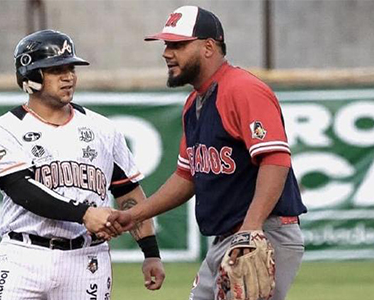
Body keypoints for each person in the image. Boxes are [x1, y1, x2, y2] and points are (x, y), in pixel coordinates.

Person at [107, 6, 307, 300]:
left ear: (208, 47)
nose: (166, 53)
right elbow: (186, 176)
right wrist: (136, 214)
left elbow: (275, 160)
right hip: (228, 237)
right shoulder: (194, 103)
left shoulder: (243, 90)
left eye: (178, 45)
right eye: (166, 45)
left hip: (264, 232)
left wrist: (251, 229)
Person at [0, 29, 164, 300]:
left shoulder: (102, 129)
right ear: (31, 76)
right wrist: (86, 213)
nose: (68, 76)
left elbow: (128, 193)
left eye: (71, 68)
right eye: (56, 70)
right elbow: (22, 190)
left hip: (87, 259)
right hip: (24, 255)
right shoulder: (5, 129)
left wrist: (151, 253)